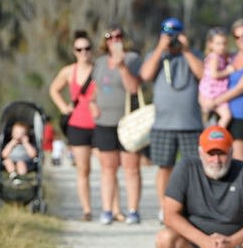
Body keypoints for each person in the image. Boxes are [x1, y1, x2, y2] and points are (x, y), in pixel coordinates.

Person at [138, 17, 205, 222]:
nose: (172, 39)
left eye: (176, 34)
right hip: (163, 124)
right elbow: (146, 75)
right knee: (164, 167)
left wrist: (185, 50)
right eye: (169, 34)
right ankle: (164, 208)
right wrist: (161, 48)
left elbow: (203, 75)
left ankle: (192, 207)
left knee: (194, 168)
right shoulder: (156, 56)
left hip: (190, 124)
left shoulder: (194, 55)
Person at [92, 24, 143, 225]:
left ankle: (133, 210)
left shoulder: (132, 59)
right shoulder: (100, 62)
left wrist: (122, 66)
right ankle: (107, 209)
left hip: (128, 122)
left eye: (118, 36)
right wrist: (91, 104)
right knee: (107, 168)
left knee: (131, 167)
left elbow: (134, 88)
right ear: (104, 41)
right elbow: (96, 89)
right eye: (109, 37)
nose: (114, 40)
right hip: (105, 121)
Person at [48, 30, 96, 220]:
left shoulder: (99, 68)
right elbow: (53, 89)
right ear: (74, 51)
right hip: (77, 124)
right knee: (83, 168)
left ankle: (112, 208)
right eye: (79, 49)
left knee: (109, 168)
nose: (83, 52)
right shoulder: (68, 71)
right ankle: (87, 209)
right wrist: (63, 107)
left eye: (87, 48)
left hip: (100, 123)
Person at [201, 19, 243, 161]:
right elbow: (209, 77)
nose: (242, 39)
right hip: (219, 112)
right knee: (218, 160)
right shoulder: (228, 57)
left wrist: (215, 101)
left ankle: (240, 184)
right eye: (237, 37)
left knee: (239, 161)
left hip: (239, 115)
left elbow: (241, 88)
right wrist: (204, 98)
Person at [198, 26, 234, 128]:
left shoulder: (222, 57)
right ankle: (214, 135)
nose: (222, 47)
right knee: (226, 116)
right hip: (211, 92)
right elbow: (214, 74)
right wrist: (228, 71)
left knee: (224, 116)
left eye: (224, 43)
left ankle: (215, 135)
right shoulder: (214, 57)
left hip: (218, 93)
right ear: (210, 44)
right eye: (218, 44)